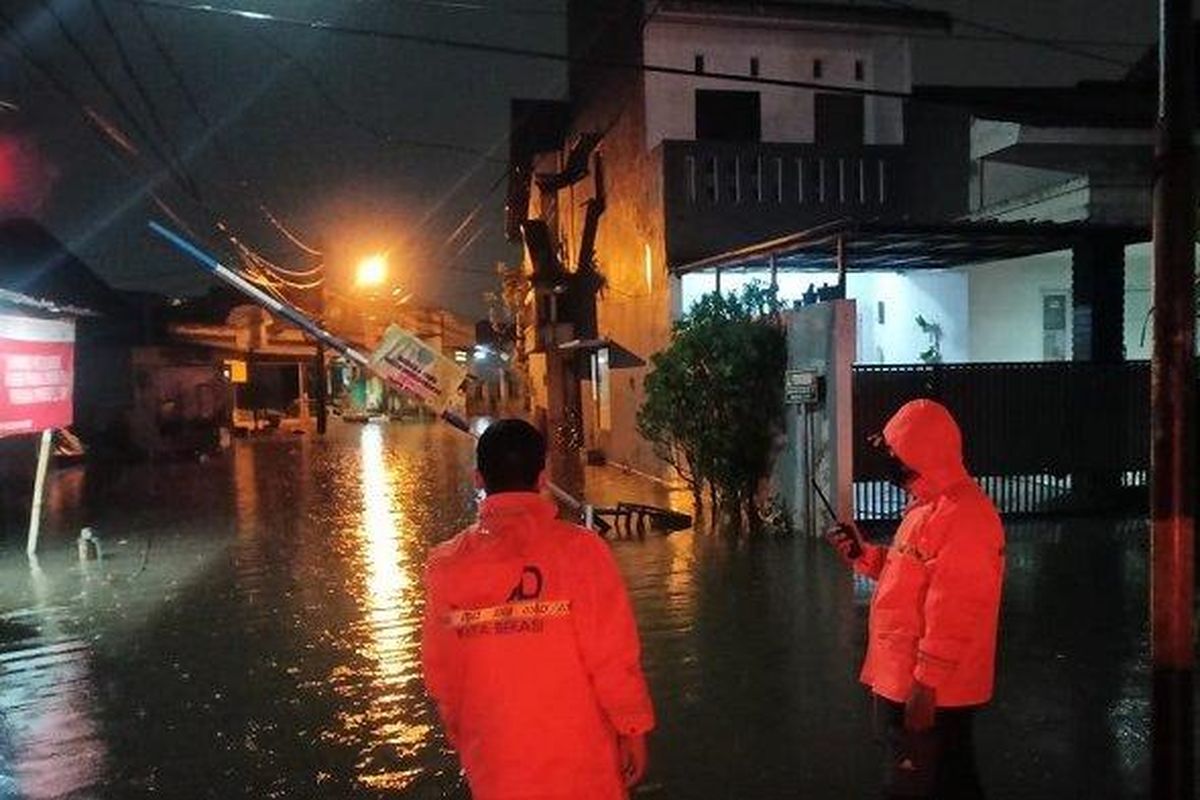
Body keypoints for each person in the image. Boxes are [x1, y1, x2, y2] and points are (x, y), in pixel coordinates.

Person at [421, 418, 655, 800]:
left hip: (498, 761)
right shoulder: (583, 552)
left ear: (478, 479)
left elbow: (441, 669)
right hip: (582, 760)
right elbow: (612, 657)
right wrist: (632, 728)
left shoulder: (447, 565)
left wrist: (460, 727)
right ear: (543, 476)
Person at [826, 399, 1005, 799]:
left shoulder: (966, 515)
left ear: (920, 451)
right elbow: (910, 574)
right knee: (932, 780)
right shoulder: (926, 508)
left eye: (894, 451)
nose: (888, 459)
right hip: (902, 680)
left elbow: (956, 607)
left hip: (931, 692)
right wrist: (866, 556)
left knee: (930, 783)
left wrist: (926, 688)